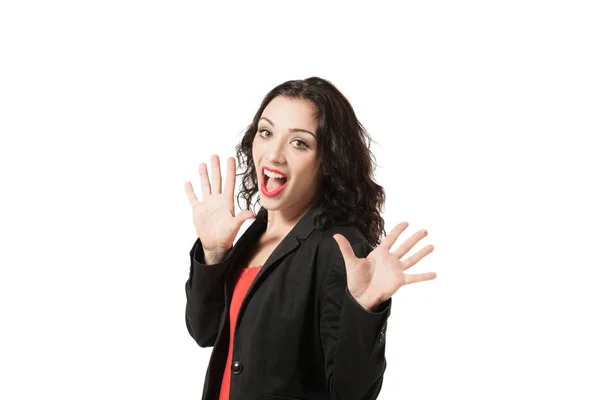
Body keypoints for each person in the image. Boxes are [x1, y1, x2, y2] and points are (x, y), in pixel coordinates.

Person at [183, 77, 436, 400]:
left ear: (327, 162)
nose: (274, 154)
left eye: (299, 142)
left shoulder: (339, 248)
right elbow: (204, 331)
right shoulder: (252, 234)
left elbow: (351, 394)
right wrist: (214, 253)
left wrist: (365, 309)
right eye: (266, 132)